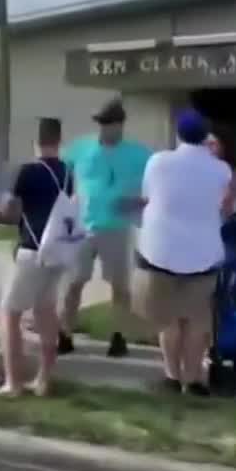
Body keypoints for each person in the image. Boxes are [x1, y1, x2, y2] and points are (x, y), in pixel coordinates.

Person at [131, 110, 232, 396]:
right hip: (203, 255)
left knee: (170, 319)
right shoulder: (220, 169)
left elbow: (149, 196)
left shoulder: (158, 162)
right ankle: (194, 379)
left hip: (161, 252)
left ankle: (171, 377)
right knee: (197, 321)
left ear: (178, 134)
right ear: (206, 137)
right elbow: (223, 204)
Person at [59, 97, 152, 358]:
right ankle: (64, 334)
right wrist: (67, 204)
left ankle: (118, 336)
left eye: (108, 123)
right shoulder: (80, 149)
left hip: (116, 227)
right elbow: (60, 176)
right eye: (99, 123)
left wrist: (139, 201)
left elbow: (158, 187)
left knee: (119, 286)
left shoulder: (140, 154)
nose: (103, 128)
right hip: (82, 226)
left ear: (120, 124)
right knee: (73, 283)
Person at [0, 117, 73, 397]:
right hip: (57, 250)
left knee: (8, 313)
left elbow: (7, 210)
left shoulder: (27, 171)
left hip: (31, 250)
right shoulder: (66, 171)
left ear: (35, 141)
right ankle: (43, 380)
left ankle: (12, 382)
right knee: (47, 313)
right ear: (58, 140)